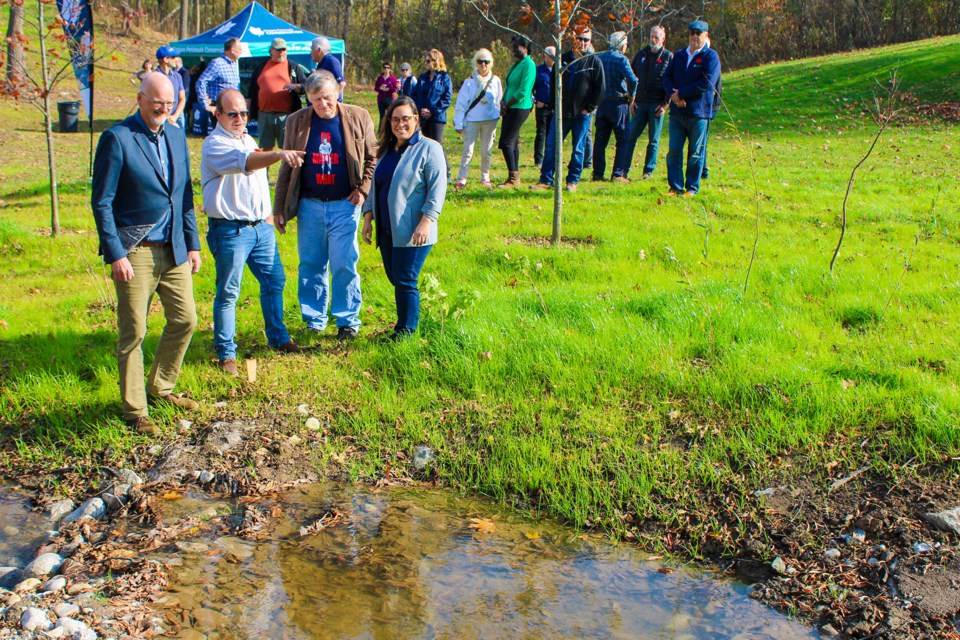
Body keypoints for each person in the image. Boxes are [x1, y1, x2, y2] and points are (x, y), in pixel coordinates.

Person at [91, 72, 201, 435]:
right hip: (134, 250)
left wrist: (193, 243)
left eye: (169, 104)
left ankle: (160, 387)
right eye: (157, 103)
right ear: (139, 98)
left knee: (186, 320)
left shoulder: (174, 133)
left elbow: (184, 195)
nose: (163, 110)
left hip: (174, 248)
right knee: (133, 332)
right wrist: (115, 252)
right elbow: (102, 202)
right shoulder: (117, 138)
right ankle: (136, 411)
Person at [201, 89, 305, 376]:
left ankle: (279, 339)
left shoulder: (247, 138)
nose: (240, 118)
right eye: (232, 114)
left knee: (274, 281)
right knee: (229, 292)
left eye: (244, 113)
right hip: (231, 230)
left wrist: (270, 215)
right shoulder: (215, 144)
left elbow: (256, 180)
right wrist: (279, 153)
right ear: (218, 114)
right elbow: (246, 163)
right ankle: (227, 353)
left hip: (261, 227)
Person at [273, 71, 377, 341]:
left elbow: (372, 158)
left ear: (338, 93)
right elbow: (286, 166)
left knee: (344, 262)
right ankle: (314, 319)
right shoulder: (297, 121)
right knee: (311, 263)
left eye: (328, 98)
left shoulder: (358, 116)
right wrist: (279, 208)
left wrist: (363, 189)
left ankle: (347, 320)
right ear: (308, 99)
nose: (323, 104)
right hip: (310, 205)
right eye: (316, 99)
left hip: (345, 203)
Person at [361, 96, 446, 340]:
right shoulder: (386, 150)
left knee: (406, 279)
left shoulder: (430, 148)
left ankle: (406, 332)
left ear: (416, 119)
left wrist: (426, 221)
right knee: (396, 277)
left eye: (406, 118)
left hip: (414, 229)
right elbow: (376, 186)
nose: (400, 124)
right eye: (395, 119)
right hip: (389, 229)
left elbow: (437, 190)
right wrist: (368, 217)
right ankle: (405, 323)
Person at [530, 27, 604, 193]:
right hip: (562, 114)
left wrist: (589, 108)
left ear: (590, 42)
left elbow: (600, 89)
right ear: (574, 39)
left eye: (586, 40)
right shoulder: (562, 60)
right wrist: (555, 106)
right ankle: (546, 179)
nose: (582, 43)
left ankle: (572, 181)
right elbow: (553, 84)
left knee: (578, 149)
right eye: (580, 38)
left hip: (582, 115)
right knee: (551, 145)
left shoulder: (594, 62)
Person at [663, 20, 721, 196]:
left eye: (699, 33)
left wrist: (682, 94)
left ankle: (692, 188)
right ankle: (675, 187)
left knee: (695, 152)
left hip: (698, 113)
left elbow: (707, 83)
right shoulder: (679, 56)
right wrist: (674, 95)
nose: (695, 36)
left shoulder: (710, 57)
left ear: (706, 36)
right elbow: (666, 77)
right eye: (692, 33)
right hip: (677, 113)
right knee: (674, 151)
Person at [624, 25, 672, 181]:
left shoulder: (668, 57)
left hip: (657, 105)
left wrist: (665, 104)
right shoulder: (641, 55)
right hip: (639, 104)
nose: (653, 40)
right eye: (651, 36)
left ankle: (648, 171)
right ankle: (623, 170)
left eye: (657, 37)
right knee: (630, 136)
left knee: (653, 140)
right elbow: (630, 76)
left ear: (663, 39)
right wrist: (631, 99)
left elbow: (672, 82)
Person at [248, 38, 311, 151]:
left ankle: (287, 169)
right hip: (265, 115)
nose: (281, 52)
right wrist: (249, 113)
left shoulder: (293, 67)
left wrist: (296, 86)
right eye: (278, 50)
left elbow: (307, 85)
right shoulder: (261, 67)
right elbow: (252, 92)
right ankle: (264, 169)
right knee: (266, 148)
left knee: (288, 148)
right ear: (271, 50)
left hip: (286, 116)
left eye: (284, 49)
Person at [592, 31, 638, 183]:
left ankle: (597, 173)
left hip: (602, 103)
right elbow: (633, 80)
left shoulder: (600, 57)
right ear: (622, 45)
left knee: (600, 140)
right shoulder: (621, 60)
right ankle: (618, 173)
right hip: (618, 104)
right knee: (623, 139)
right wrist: (631, 95)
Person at [452, 49, 502, 188]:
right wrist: (458, 122)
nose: (483, 65)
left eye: (486, 62)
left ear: (490, 63)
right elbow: (461, 103)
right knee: (468, 150)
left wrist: (497, 115)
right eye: (480, 62)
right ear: (476, 63)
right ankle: (462, 178)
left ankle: (485, 177)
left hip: (490, 121)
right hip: (472, 121)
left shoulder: (496, 80)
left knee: (486, 151)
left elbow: (499, 100)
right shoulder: (469, 82)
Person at [496, 35, 536, 188]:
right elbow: (509, 84)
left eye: (516, 47)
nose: (513, 50)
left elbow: (523, 91)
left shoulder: (529, 64)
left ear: (525, 48)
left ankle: (513, 178)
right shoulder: (517, 64)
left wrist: (507, 104)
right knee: (512, 141)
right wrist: (503, 101)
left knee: (506, 141)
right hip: (510, 106)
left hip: (520, 106)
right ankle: (514, 176)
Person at [195, 38, 242, 135]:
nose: (241, 52)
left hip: (234, 106)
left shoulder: (235, 63)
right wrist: (205, 105)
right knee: (222, 137)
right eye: (240, 49)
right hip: (221, 107)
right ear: (232, 50)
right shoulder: (217, 63)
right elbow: (201, 82)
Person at [412, 49, 453, 153]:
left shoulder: (445, 78)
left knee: (436, 146)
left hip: (437, 118)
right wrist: (420, 109)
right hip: (423, 118)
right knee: (424, 145)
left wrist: (432, 111)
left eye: (428, 61)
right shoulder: (422, 78)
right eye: (425, 61)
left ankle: (445, 168)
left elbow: (446, 99)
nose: (425, 63)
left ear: (436, 61)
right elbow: (414, 95)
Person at [532, 46, 555, 168]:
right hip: (542, 108)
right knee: (541, 134)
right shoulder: (538, 71)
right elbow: (531, 89)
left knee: (552, 135)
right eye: (549, 55)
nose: (551, 58)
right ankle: (538, 160)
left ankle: (551, 159)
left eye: (553, 56)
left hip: (555, 108)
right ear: (545, 56)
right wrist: (536, 101)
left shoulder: (559, 71)